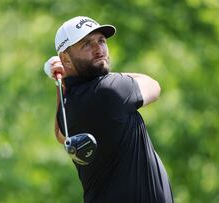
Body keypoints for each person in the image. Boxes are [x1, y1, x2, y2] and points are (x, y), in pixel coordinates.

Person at [44, 16, 174, 203]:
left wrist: (61, 82)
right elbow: (153, 85)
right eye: (87, 44)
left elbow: (59, 134)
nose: (99, 50)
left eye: (101, 41)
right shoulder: (110, 90)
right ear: (66, 58)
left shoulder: (70, 104)